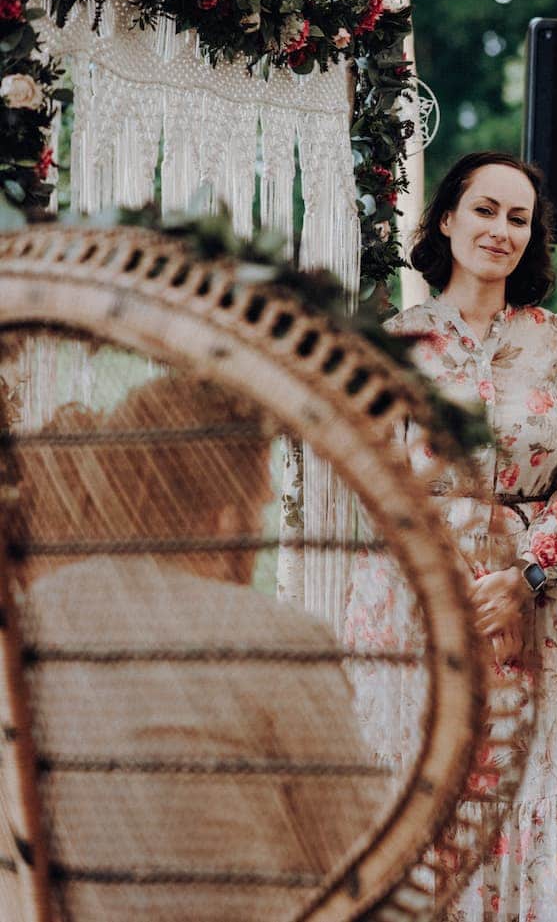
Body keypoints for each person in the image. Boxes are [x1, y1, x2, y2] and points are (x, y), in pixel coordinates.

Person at [12, 375, 383, 922]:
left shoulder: (26, 624)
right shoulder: (277, 642)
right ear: (228, 514)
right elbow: (368, 866)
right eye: (260, 502)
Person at [343, 151, 557, 922]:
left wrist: (521, 577)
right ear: (449, 218)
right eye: (485, 209)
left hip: (539, 606)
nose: (500, 229)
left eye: (518, 217)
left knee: (531, 781)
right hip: (421, 609)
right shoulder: (398, 341)